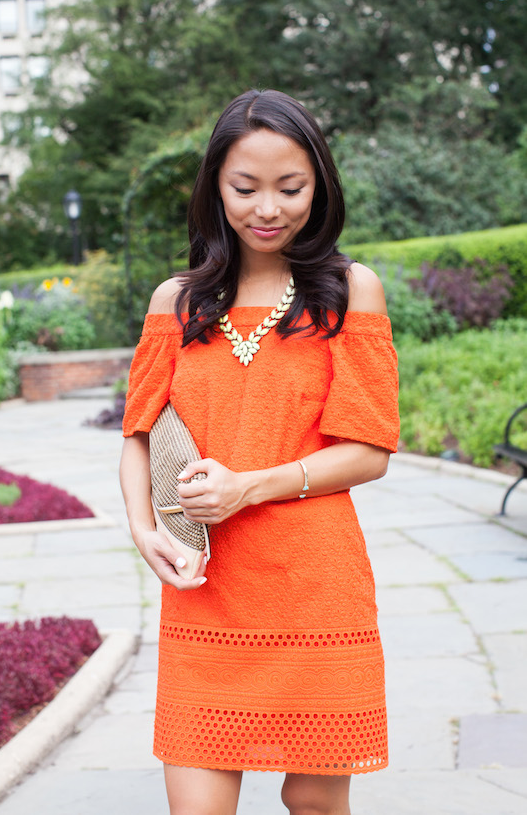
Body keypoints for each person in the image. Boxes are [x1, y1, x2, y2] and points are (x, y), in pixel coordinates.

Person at [119, 88, 399, 815]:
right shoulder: (174, 305)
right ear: (216, 184)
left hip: (314, 591)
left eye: (290, 187)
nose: (267, 208)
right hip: (207, 594)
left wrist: (250, 486)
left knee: (313, 803)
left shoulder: (348, 292)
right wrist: (145, 532)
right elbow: (139, 435)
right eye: (245, 188)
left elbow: (369, 450)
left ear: (320, 187)